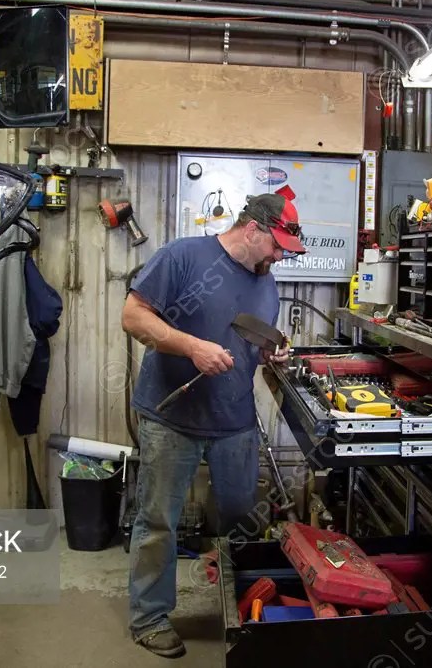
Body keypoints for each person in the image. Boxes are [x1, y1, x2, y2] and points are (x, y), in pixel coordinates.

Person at [121, 193, 306, 658]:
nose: (280, 256)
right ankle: (149, 617)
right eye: (277, 246)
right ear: (252, 230)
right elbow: (133, 316)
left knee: (242, 513)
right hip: (172, 418)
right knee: (159, 520)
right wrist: (192, 347)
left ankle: (243, 603)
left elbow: (256, 345)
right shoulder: (183, 256)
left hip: (234, 420)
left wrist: (274, 351)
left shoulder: (267, 284)